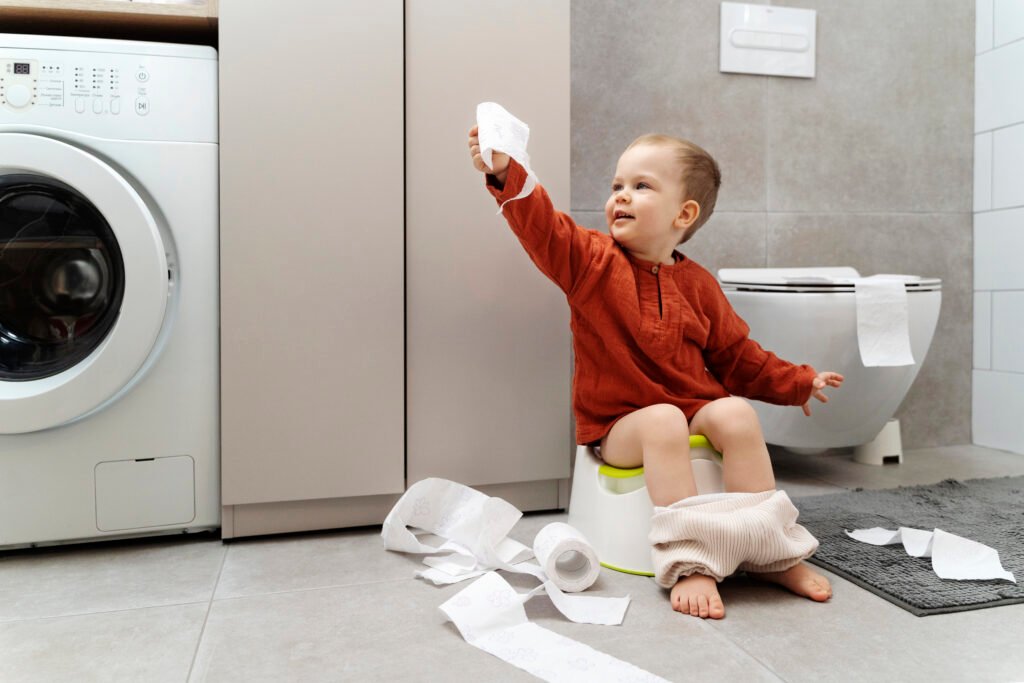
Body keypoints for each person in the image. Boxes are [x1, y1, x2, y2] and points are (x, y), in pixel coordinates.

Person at [467, 125, 843, 620]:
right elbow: (543, 227)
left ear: (683, 215)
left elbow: (737, 356)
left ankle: (767, 550)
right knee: (664, 419)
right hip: (619, 424)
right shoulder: (591, 262)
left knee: (735, 414)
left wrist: (796, 381)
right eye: (617, 185)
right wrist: (503, 171)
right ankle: (690, 562)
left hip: (686, 409)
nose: (621, 196)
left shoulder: (700, 285)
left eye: (641, 186)